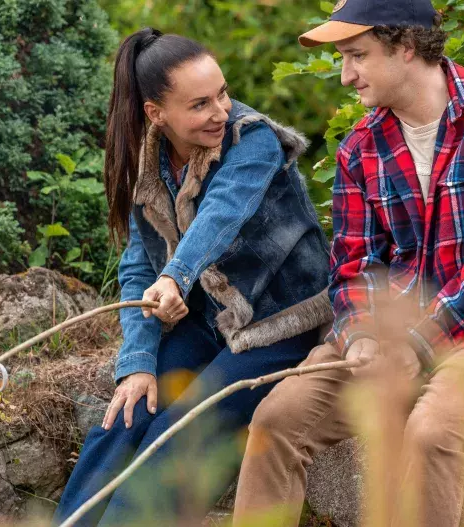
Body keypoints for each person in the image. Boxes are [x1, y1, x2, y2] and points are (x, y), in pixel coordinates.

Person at [233, 1, 464, 525]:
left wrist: (418, 343)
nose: (346, 76)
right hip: (392, 321)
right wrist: (361, 331)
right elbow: (354, 263)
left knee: (432, 435)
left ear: (406, 45)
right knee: (275, 422)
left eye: (357, 55)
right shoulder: (360, 148)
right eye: (343, 58)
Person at [52, 28, 332, 526]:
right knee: (125, 415)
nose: (220, 111)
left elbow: (220, 215)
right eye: (200, 104)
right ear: (156, 114)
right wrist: (138, 361)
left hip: (279, 324)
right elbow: (140, 263)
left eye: (222, 93)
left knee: (184, 435)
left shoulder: (254, 141)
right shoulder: (147, 157)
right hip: (207, 320)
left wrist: (177, 277)